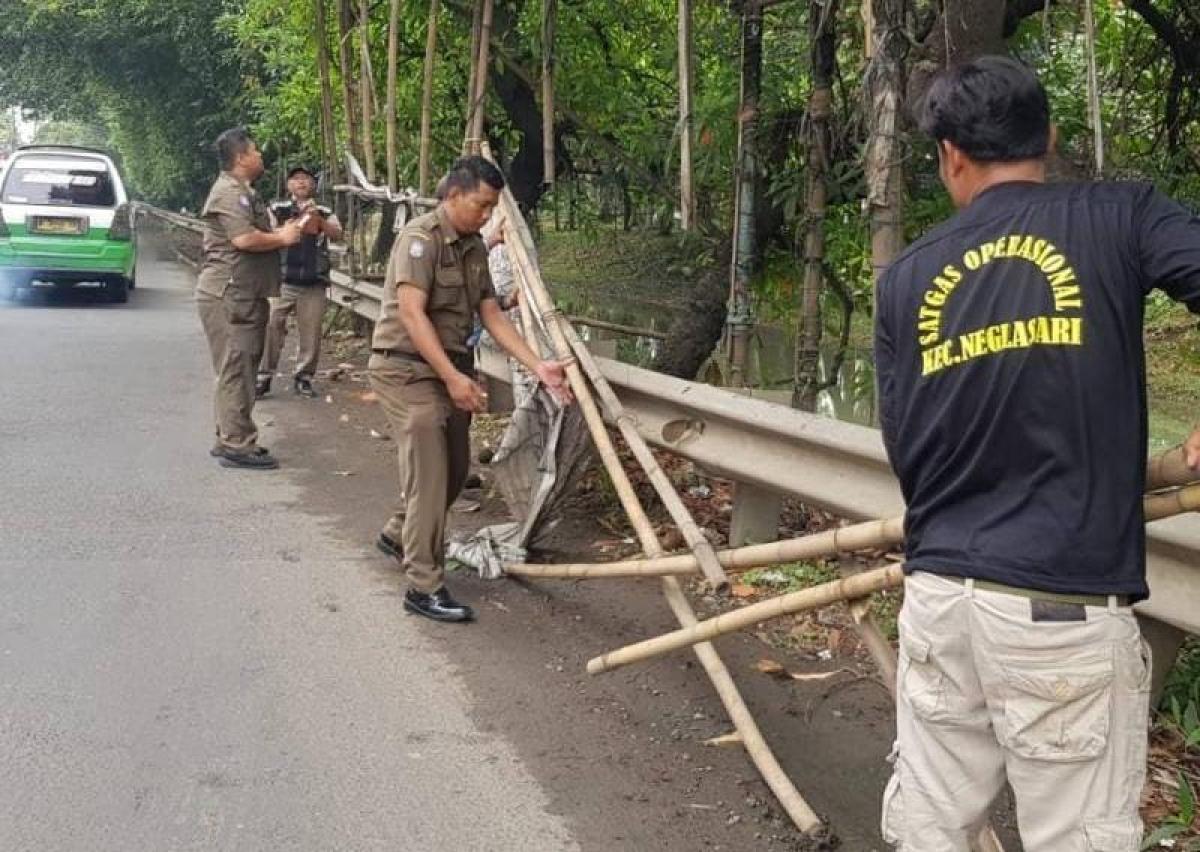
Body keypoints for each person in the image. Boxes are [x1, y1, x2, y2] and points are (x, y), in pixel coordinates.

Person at [874, 56, 1200, 851]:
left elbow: (907, 443)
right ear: (1049, 137)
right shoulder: (1122, 216)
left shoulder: (907, 276)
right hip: (1059, 609)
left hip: (941, 597)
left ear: (949, 153)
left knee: (931, 827)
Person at [369, 156, 573, 623]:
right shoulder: (419, 240)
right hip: (406, 370)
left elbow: (491, 314)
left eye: (491, 208)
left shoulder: (474, 248)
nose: (486, 215)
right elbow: (413, 316)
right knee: (431, 472)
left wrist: (538, 365)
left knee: (457, 472)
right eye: (481, 205)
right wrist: (454, 378)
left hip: (448, 371)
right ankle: (423, 585)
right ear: (454, 195)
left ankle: (399, 532)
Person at [196, 127, 304, 470]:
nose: (260, 156)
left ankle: (231, 434)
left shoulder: (244, 192)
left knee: (240, 366)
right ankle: (235, 442)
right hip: (230, 293)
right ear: (241, 157)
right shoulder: (230, 193)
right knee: (236, 366)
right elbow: (243, 239)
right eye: (255, 151)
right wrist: (284, 238)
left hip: (243, 292)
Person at [256, 166, 343, 400]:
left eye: (306, 179)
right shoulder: (278, 208)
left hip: (314, 282)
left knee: (311, 332)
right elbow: (266, 231)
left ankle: (304, 377)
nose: (301, 182)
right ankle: (263, 376)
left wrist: (319, 221)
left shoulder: (324, 210)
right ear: (288, 185)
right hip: (283, 279)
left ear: (313, 185)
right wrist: (293, 225)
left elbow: (338, 234)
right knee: (272, 325)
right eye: (296, 179)